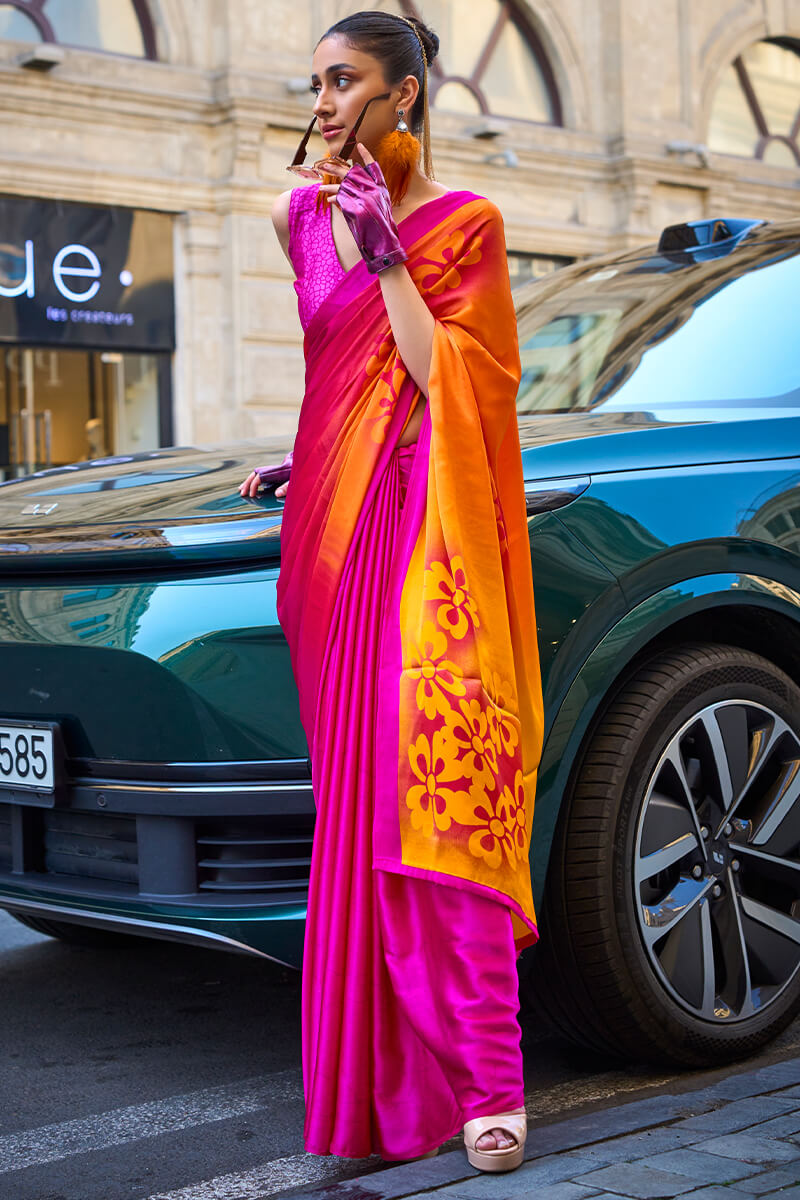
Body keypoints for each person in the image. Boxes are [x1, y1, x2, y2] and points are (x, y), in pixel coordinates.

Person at [240, 9, 543, 1173]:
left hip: (430, 533)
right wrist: (304, 446)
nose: (320, 102)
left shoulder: (466, 222)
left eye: (343, 79)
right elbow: (341, 371)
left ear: (403, 93)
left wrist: (383, 248)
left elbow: (451, 375)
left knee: (437, 782)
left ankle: (488, 1079)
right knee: (360, 806)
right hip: (331, 528)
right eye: (312, 81)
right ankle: (384, 1090)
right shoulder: (292, 215)